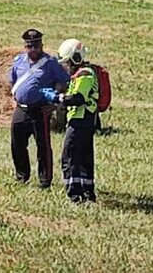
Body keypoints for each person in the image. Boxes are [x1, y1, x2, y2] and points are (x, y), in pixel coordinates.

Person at [8, 29, 70, 188]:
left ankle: (44, 180)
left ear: (41, 45)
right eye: (29, 46)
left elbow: (65, 83)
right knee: (17, 144)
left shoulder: (50, 64)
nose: (33, 49)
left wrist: (54, 105)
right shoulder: (19, 61)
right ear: (25, 46)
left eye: (36, 45)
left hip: (40, 110)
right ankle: (21, 176)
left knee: (43, 146)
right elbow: (13, 81)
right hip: (21, 109)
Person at [52, 38, 100, 203]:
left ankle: (75, 194)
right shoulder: (82, 74)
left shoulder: (85, 75)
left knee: (70, 156)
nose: (66, 66)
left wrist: (58, 98)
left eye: (67, 62)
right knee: (83, 157)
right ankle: (87, 191)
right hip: (84, 121)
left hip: (81, 121)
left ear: (75, 59)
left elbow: (78, 98)